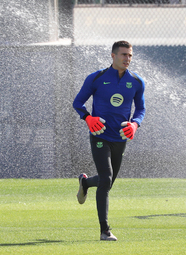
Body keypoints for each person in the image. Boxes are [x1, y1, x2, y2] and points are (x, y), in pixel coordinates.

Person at [73, 41, 146, 240]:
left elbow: (140, 109)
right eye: (124, 55)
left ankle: (86, 183)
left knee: (108, 181)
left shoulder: (137, 82)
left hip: (120, 137)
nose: (127, 59)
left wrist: (135, 124)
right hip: (100, 135)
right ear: (113, 56)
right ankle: (105, 230)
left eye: (130, 55)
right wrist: (88, 118)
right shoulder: (96, 78)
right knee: (106, 179)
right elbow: (78, 103)